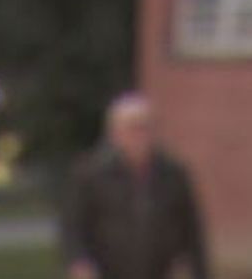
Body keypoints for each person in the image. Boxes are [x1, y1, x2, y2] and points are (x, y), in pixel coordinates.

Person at [61, 93, 208, 279]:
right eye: (132, 128)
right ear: (115, 133)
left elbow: (192, 230)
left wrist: (195, 270)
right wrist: (79, 263)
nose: (140, 135)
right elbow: (73, 227)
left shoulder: (174, 174)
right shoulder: (91, 174)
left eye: (146, 127)